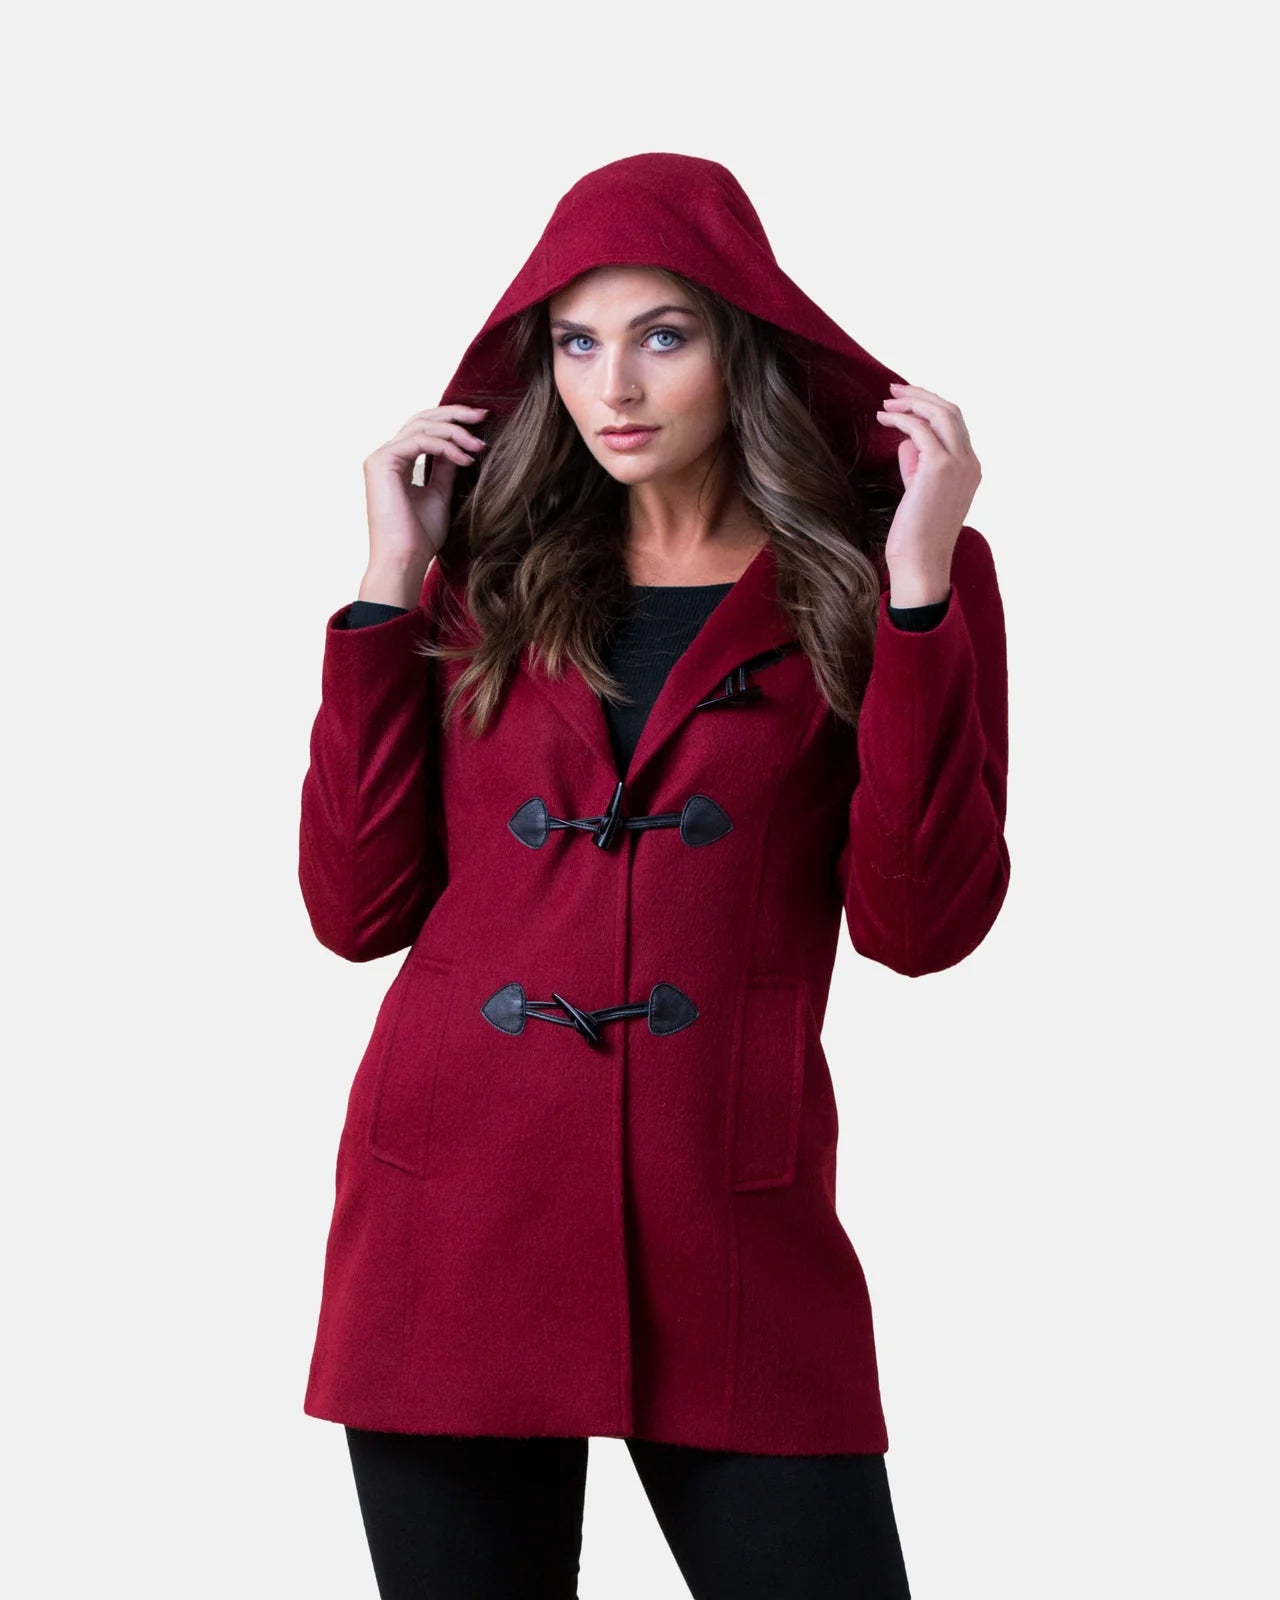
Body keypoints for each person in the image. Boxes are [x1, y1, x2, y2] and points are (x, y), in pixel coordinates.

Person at [297, 151, 1010, 1599]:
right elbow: (354, 911)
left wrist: (921, 591)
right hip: (452, 1216)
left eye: (661, 337)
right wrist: (384, 586)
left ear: (743, 345)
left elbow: (920, 926)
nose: (613, 386)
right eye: (576, 343)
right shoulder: (480, 570)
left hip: (729, 1221)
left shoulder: (884, 574)